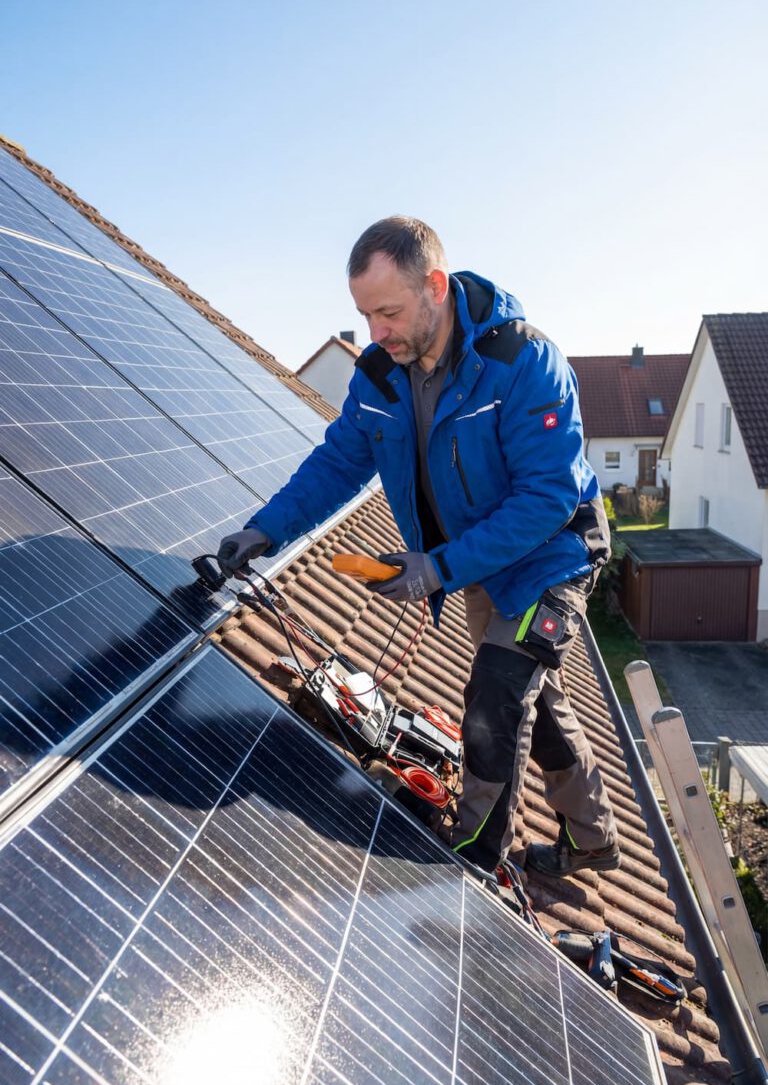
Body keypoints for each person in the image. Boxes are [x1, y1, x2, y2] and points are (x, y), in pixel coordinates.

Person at [217, 216, 619, 880]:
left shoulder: (522, 362)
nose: (377, 331)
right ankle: (595, 837)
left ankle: (472, 854)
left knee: (497, 690)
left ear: (434, 286)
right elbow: (338, 463)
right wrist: (266, 527)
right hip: (481, 556)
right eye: (366, 314)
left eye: (389, 311)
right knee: (533, 697)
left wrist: (438, 567)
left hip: (552, 552)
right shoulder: (379, 376)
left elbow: (547, 497)